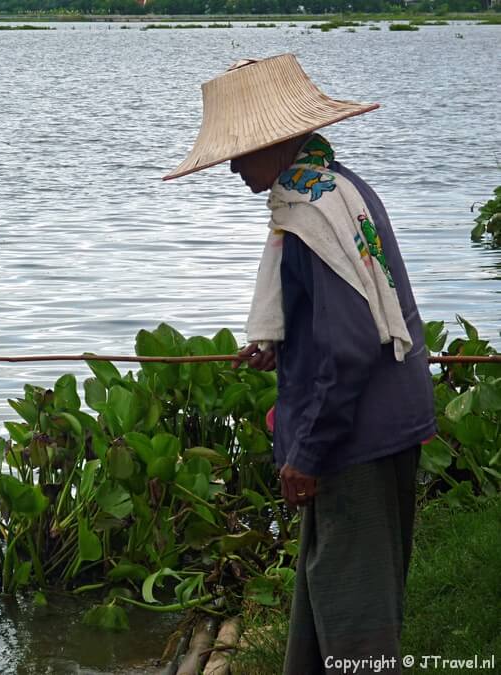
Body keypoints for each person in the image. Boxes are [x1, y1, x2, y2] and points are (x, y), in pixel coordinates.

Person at [164, 54, 436, 675]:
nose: (233, 166)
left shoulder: (310, 216)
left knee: (354, 615)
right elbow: (352, 316)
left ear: (277, 143)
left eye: (241, 152)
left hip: (354, 439)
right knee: (333, 597)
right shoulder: (337, 188)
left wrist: (307, 454)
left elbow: (350, 346)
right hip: (382, 423)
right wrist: (283, 345)